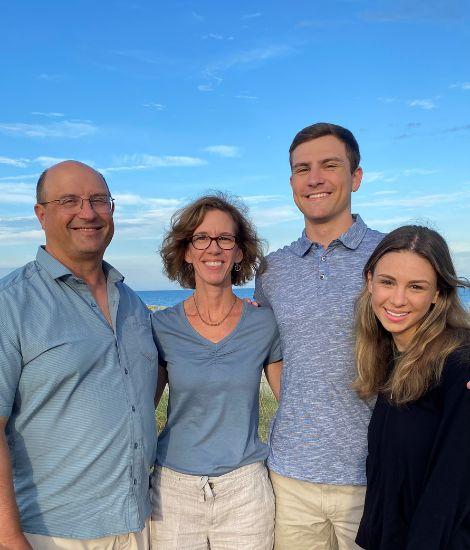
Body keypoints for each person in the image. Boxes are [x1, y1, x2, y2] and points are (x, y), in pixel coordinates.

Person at [0, 161, 158, 549]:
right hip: (51, 534)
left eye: (98, 200)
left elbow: (138, 396)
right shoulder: (11, 304)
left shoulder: (133, 304)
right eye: (69, 200)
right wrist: (8, 537)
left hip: (138, 522)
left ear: (112, 210)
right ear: (41, 214)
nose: (87, 212)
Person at [254, 122, 384, 549]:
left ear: (356, 177)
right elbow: (269, 349)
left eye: (330, 165)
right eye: (302, 168)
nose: (315, 178)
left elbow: (441, 336)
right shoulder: (272, 270)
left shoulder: (393, 254)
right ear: (291, 181)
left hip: (376, 472)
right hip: (290, 475)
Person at [150, 194, 282, 549]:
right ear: (187, 251)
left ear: (239, 252)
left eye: (225, 239)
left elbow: (292, 401)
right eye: (201, 238)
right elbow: (142, 404)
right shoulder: (160, 325)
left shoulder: (263, 324)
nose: (214, 248)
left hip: (245, 490)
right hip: (173, 491)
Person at [354, 225, 470, 549]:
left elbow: (453, 486)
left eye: (416, 286)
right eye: (388, 282)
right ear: (370, 282)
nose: (398, 299)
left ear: (438, 294)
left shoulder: (459, 363)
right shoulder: (396, 355)